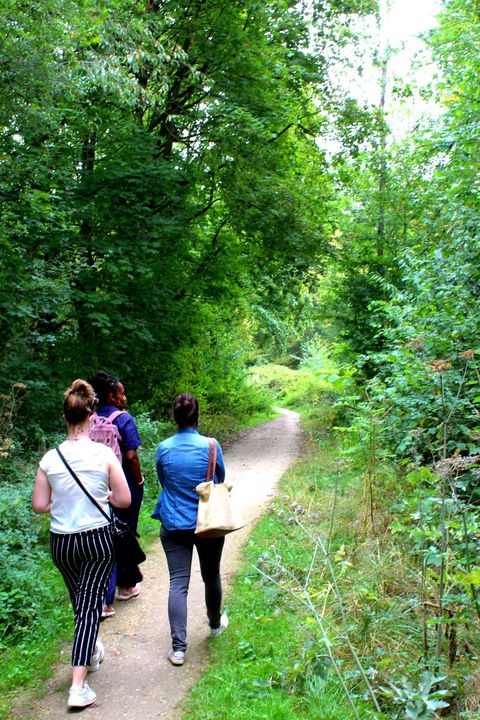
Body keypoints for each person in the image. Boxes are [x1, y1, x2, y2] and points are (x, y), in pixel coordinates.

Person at [32, 379, 131, 710]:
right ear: (90, 416)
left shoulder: (49, 458)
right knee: (88, 608)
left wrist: (63, 499)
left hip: (62, 543)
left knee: (81, 602)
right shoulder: (102, 454)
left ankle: (89, 651)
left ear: (65, 417)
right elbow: (124, 499)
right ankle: (78, 686)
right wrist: (105, 496)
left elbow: (39, 505)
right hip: (95, 540)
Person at [152, 392, 229, 667]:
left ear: (175, 418)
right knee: (211, 576)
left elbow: (163, 480)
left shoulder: (163, 448)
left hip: (173, 523)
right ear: (197, 417)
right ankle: (216, 624)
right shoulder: (211, 445)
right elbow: (220, 478)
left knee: (178, 583)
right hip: (207, 522)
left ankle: (178, 648)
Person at [89, 371, 145, 607]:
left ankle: (102, 594)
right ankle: (126, 585)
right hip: (123, 482)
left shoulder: (89, 418)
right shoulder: (124, 419)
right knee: (126, 531)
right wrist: (139, 480)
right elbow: (131, 456)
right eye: (120, 393)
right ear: (112, 395)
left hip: (97, 483)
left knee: (103, 533)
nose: (124, 397)